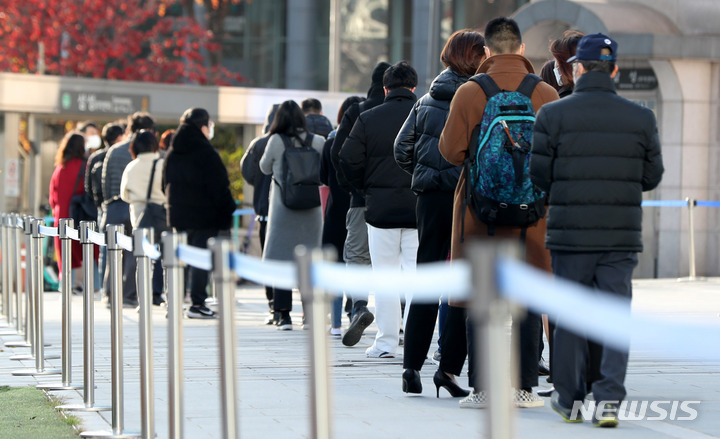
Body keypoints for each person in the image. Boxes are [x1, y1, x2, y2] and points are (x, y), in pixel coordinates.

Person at [530, 33, 664, 427]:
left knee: (570, 317)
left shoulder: (552, 115)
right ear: (616, 69)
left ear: (577, 68)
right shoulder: (641, 117)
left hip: (570, 235)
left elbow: (538, 175)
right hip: (620, 235)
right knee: (615, 316)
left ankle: (569, 398)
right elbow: (651, 175)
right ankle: (608, 400)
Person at [438, 17, 559, 408]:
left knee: (483, 299)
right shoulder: (545, 93)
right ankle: (524, 389)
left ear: (486, 51)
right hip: (532, 217)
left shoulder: (471, 92)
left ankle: (484, 389)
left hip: (481, 214)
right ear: (522, 50)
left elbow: (450, 151)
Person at [394, 29, 485, 395]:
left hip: (430, 200)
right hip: (467, 198)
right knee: (462, 282)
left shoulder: (428, 99)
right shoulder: (479, 97)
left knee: (428, 277)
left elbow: (402, 149)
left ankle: (411, 367)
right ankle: (447, 370)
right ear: (475, 57)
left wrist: (425, 174)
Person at [339, 61, 419, 358]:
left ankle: (385, 343)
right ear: (414, 87)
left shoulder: (367, 117)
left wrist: (363, 187)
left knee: (384, 276)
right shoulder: (424, 113)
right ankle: (414, 341)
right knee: (415, 278)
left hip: (379, 209)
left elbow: (347, 158)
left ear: (385, 89)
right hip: (417, 206)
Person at [331, 61, 391, 347]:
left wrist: (354, 187)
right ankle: (397, 320)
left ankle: (358, 307)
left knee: (357, 256)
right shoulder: (415, 109)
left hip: (362, 200)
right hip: (403, 203)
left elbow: (338, 153)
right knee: (398, 262)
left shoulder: (357, 111)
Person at [163, 108, 236, 319]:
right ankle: (197, 303)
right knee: (200, 259)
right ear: (203, 126)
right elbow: (219, 186)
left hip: (178, 214)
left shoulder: (173, 152)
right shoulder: (206, 152)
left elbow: (164, 183)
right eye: (210, 125)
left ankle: (174, 303)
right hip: (204, 215)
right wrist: (226, 209)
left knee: (180, 259)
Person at [259, 100, 325, 330]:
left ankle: (283, 315)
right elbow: (326, 170)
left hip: (283, 211)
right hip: (312, 211)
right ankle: (309, 316)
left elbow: (264, 167)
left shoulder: (276, 141)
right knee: (309, 263)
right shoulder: (318, 141)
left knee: (281, 261)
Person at [319, 95, 365, 337]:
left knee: (335, 268)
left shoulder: (329, 145)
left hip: (336, 212)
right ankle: (354, 312)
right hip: (361, 208)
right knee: (358, 264)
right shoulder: (367, 142)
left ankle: (335, 324)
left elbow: (323, 181)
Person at [102, 112, 155, 308]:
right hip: (134, 206)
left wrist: (106, 202)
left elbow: (104, 182)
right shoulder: (146, 153)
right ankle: (129, 295)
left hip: (113, 207)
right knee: (133, 252)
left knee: (112, 252)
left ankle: (110, 293)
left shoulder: (114, 151)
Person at [241, 104, 280, 325]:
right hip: (297, 212)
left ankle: (274, 306)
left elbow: (247, 172)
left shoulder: (259, 144)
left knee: (269, 258)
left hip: (265, 211)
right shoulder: (298, 140)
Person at [119, 130, 166, 307]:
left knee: (143, 257)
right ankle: (159, 293)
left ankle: (143, 296)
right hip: (162, 215)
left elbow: (124, 195)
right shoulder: (162, 164)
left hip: (140, 216)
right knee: (164, 255)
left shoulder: (131, 167)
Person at [48, 132, 87, 293]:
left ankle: (64, 281)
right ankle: (78, 283)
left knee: (63, 250)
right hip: (78, 215)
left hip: (60, 216)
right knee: (79, 250)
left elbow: (53, 196)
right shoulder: (84, 165)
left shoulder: (60, 167)